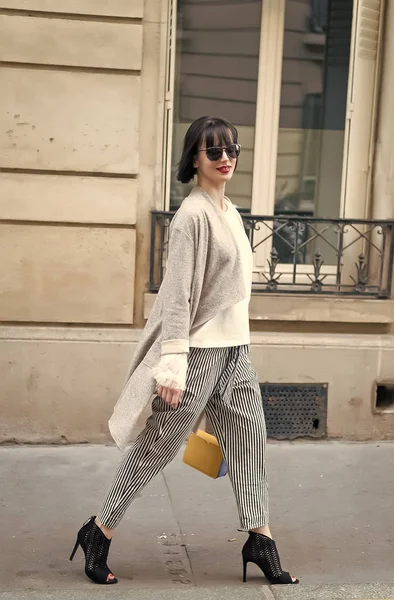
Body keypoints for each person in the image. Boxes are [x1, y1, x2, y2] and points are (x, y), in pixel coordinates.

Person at [69, 116, 299, 586]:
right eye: (214, 152)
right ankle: (100, 529)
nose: (226, 158)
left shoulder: (230, 210)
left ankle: (261, 538)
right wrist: (172, 365)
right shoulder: (191, 216)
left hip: (234, 350)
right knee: (159, 445)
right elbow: (176, 297)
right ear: (194, 159)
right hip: (197, 354)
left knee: (249, 438)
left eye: (232, 149)